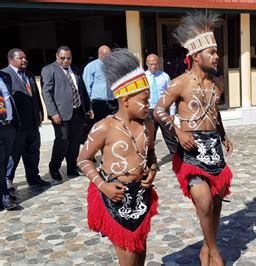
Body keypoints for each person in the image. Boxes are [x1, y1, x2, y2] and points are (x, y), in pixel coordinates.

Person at [153, 11, 232, 266]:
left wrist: (223, 134)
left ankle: (205, 250)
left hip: (214, 149)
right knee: (204, 200)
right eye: (212, 52)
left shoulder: (217, 84)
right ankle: (214, 250)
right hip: (191, 150)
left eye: (217, 51)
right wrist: (178, 130)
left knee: (216, 202)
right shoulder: (180, 83)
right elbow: (158, 110)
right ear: (196, 56)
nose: (217, 56)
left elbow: (214, 112)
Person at [77, 49, 158, 265]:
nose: (148, 104)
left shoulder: (148, 125)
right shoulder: (104, 127)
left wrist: (152, 169)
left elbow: (150, 153)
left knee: (140, 254)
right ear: (125, 100)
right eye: (144, 99)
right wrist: (103, 186)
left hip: (141, 197)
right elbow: (83, 159)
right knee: (128, 259)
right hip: (115, 198)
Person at [41, 46, 92, 180]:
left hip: (78, 111)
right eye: (63, 58)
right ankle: (54, 167)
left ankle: (72, 167)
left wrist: (88, 108)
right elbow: (46, 93)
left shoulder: (75, 69)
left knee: (75, 141)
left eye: (68, 58)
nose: (66, 61)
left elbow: (82, 90)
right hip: (60, 114)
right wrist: (53, 113)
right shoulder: (49, 70)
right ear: (57, 56)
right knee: (62, 141)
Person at [3, 48, 50, 189]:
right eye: (20, 58)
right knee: (14, 155)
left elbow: (35, 97)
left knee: (33, 152)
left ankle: (33, 178)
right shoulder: (5, 75)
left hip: (33, 123)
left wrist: (40, 114)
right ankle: (7, 180)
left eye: (25, 58)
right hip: (17, 125)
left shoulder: (29, 74)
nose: (24, 60)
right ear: (11, 60)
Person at [145, 53, 177, 154]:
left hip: (163, 109)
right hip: (149, 111)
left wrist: (172, 112)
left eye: (155, 64)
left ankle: (177, 160)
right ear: (147, 63)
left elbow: (170, 94)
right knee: (149, 138)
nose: (153, 66)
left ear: (158, 64)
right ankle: (150, 162)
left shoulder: (164, 76)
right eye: (151, 64)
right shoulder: (143, 77)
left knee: (170, 136)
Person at [83, 45, 117, 123]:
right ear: (99, 55)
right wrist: (89, 107)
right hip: (98, 103)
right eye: (106, 55)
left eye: (109, 55)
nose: (108, 57)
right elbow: (86, 87)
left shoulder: (114, 66)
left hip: (113, 102)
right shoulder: (91, 67)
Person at [0, 71, 18, 210]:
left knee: (6, 160)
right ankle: (4, 196)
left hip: (8, 125)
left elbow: (8, 98)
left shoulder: (5, 76)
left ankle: (3, 192)